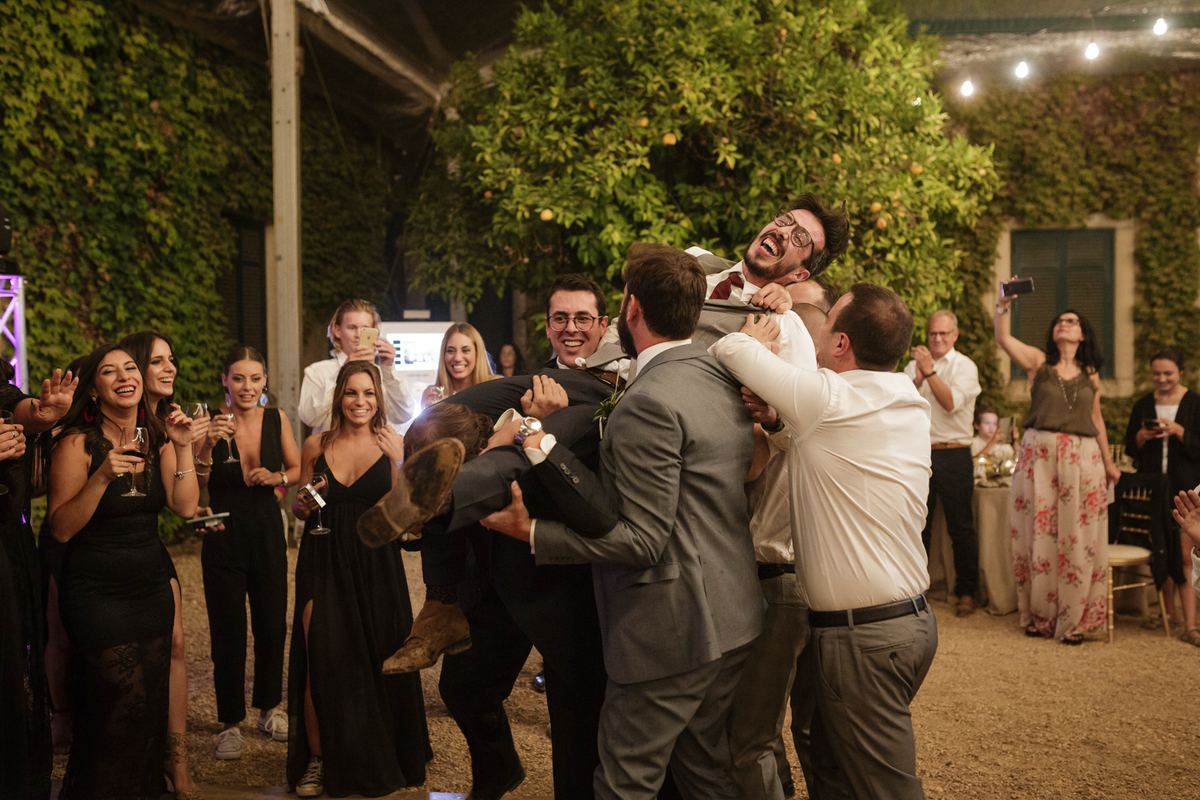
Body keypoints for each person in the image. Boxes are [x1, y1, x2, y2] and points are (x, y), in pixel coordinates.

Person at [485, 244, 762, 800]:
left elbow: (642, 539)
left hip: (675, 629)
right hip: (736, 615)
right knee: (706, 773)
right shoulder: (718, 375)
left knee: (623, 780)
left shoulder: (647, 399)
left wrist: (530, 532)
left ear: (629, 311)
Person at [711, 282, 937, 800]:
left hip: (866, 640)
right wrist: (773, 418)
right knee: (840, 775)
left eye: (828, 319)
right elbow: (817, 439)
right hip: (912, 624)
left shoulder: (830, 398)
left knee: (888, 790)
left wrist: (767, 326)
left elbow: (732, 349)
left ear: (840, 345)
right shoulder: (905, 398)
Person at [48, 345, 198, 799]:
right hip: (96, 590)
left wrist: (185, 446)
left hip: (150, 584)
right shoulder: (76, 444)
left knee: (149, 705)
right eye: (109, 372)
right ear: (94, 390)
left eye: (130, 368)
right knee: (118, 704)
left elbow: (186, 505)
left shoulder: (157, 439)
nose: (124, 377)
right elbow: (60, 528)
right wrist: (101, 478)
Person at [288, 361, 430, 798]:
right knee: (320, 656)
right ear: (339, 397)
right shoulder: (316, 444)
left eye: (368, 394)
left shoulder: (394, 443)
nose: (360, 402)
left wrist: (399, 460)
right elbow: (299, 504)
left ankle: (383, 751)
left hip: (375, 563)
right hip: (322, 555)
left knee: (379, 657)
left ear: (378, 399)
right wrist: (303, 505)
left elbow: (408, 517)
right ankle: (317, 759)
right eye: (352, 393)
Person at [994, 283, 1121, 643]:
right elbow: (1003, 338)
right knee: (1038, 535)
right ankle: (1038, 615)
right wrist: (1003, 304)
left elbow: (1096, 420)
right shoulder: (1038, 363)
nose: (1064, 324)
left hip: (1084, 459)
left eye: (1072, 321)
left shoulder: (1091, 374)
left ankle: (1075, 620)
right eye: (1059, 321)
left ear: (1082, 334)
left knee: (1078, 539)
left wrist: (1110, 463)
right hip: (1040, 458)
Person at [195, 347, 300, 758]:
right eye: (238, 378)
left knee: (272, 625)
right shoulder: (211, 423)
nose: (247, 387)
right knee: (227, 630)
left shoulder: (276, 418)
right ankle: (229, 723)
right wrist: (205, 446)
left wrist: (277, 476)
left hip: (266, 530)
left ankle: (269, 709)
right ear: (225, 381)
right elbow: (195, 481)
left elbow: (298, 470)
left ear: (265, 381)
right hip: (221, 530)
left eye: (255, 379)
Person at [119, 330, 207, 797]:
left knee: (174, 647)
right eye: (158, 361)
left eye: (171, 359)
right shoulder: (110, 424)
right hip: (101, 556)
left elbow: (185, 506)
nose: (170, 368)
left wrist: (189, 447)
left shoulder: (170, 423)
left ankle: (178, 759)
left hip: (150, 551)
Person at [904, 310, 982, 618]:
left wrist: (930, 373)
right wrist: (918, 377)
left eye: (943, 334)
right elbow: (903, 405)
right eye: (933, 334)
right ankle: (915, 589)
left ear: (955, 335)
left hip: (954, 453)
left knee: (961, 527)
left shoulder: (966, 367)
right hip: (920, 452)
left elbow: (950, 404)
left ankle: (966, 592)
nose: (937, 339)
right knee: (917, 526)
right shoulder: (914, 367)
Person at [1123, 347, 1200, 646]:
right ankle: (1170, 615)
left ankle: (1191, 624)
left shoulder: (1195, 403)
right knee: (1161, 552)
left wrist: (1181, 431)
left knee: (1186, 555)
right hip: (1154, 487)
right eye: (1157, 373)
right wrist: (1141, 439)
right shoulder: (1143, 404)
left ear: (1180, 371)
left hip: (1188, 488)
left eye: (1168, 373)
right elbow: (1131, 447)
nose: (1162, 379)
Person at [298, 298, 416, 433]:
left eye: (366, 329)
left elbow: (404, 415)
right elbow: (308, 418)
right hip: (331, 450)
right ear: (337, 330)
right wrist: (341, 374)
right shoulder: (318, 371)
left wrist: (388, 368)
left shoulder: (384, 373)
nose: (359, 335)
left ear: (375, 332)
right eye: (352, 327)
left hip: (377, 450)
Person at [421, 322, 496, 406]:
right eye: (450, 351)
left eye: (465, 350)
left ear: (478, 353)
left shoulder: (495, 386)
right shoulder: (432, 394)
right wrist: (427, 414)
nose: (457, 358)